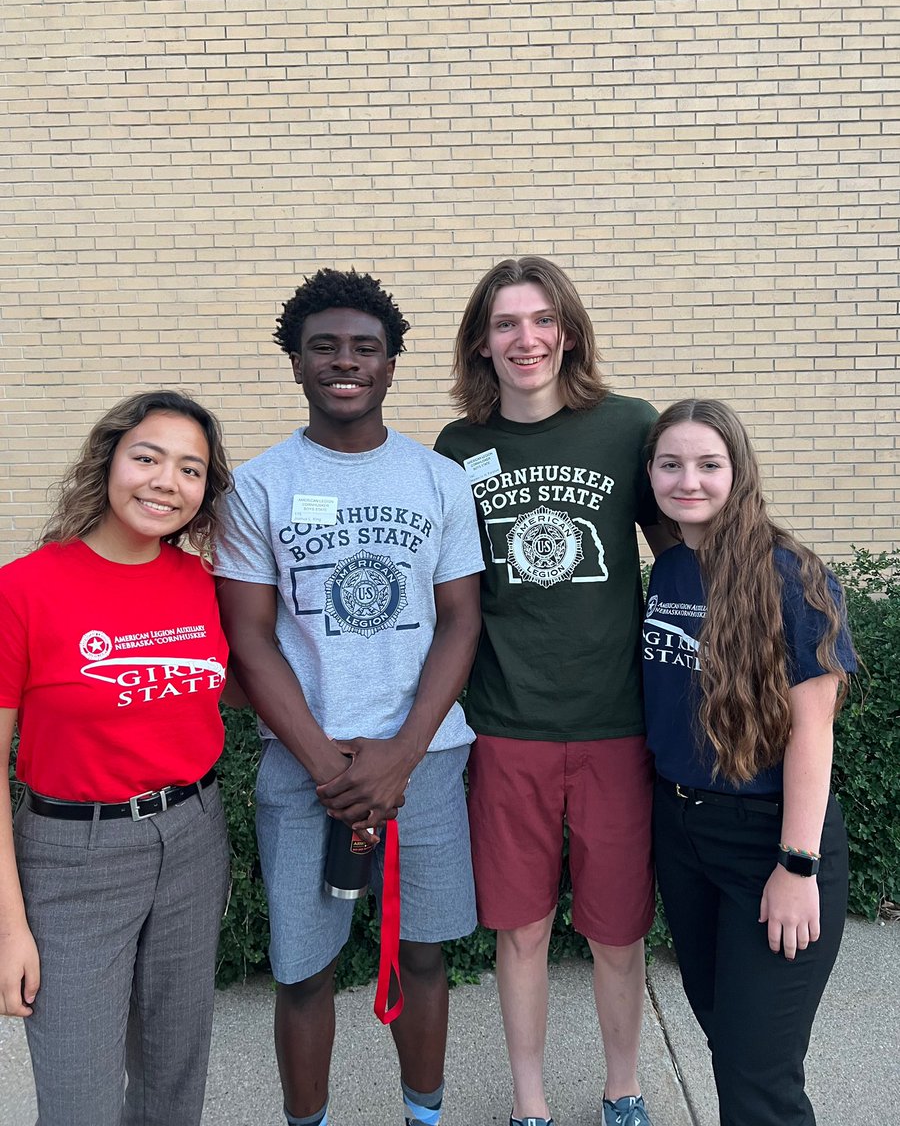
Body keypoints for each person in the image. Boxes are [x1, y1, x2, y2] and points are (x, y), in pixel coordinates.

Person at [214, 268, 484, 1126]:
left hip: (426, 763)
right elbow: (250, 639)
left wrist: (401, 754)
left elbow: (460, 623)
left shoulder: (438, 480)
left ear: (391, 366)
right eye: (323, 346)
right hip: (305, 769)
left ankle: (424, 1115)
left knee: (426, 955)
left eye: (365, 348)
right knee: (303, 970)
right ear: (295, 362)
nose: (344, 362)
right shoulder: (257, 487)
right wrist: (334, 767)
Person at [435, 257, 668, 1126]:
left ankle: (624, 1088)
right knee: (522, 929)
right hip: (507, 727)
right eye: (504, 324)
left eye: (540, 320)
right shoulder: (461, 448)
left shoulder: (627, 428)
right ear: (482, 342)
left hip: (615, 723)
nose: (524, 339)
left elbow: (683, 547)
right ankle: (530, 1103)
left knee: (617, 933)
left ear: (566, 331)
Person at [0, 390, 233, 1126]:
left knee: (174, 1079)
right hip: (71, 858)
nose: (167, 481)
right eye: (148, 457)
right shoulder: (23, 589)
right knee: (79, 1101)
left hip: (194, 837)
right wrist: (10, 928)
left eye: (190, 469)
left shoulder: (200, 584)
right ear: (108, 462)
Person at [643, 398, 855, 1126]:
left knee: (756, 1078)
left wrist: (796, 867)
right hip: (683, 834)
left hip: (771, 839)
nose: (688, 480)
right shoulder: (669, 568)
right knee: (728, 1041)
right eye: (671, 464)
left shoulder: (790, 574)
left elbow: (812, 733)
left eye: (708, 464)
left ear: (740, 472)